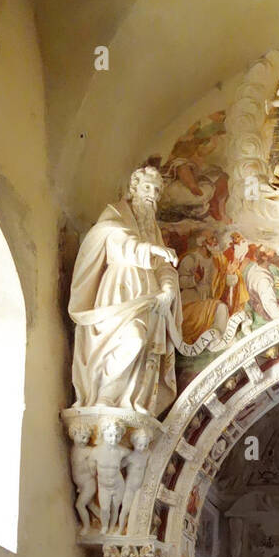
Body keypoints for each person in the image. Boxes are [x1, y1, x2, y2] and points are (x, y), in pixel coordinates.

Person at [68, 166, 181, 416]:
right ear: (134, 189)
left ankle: (133, 402)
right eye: (147, 188)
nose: (152, 194)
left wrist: (167, 290)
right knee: (132, 339)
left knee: (148, 352)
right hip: (121, 290)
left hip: (150, 299)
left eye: (157, 190)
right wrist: (150, 250)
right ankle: (105, 396)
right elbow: (115, 240)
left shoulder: (153, 230)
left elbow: (165, 266)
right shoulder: (115, 215)